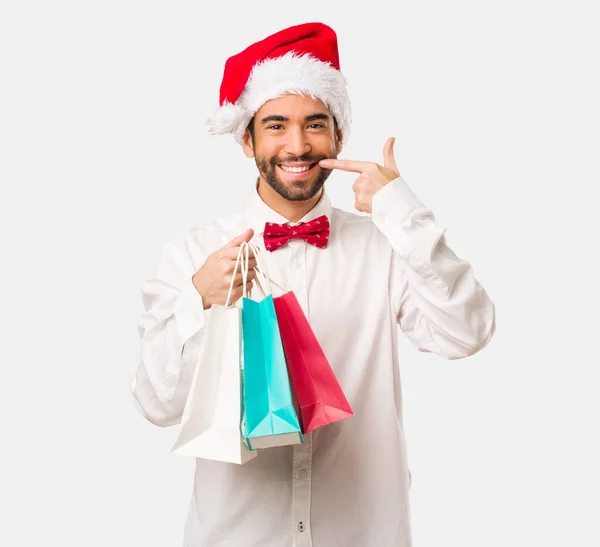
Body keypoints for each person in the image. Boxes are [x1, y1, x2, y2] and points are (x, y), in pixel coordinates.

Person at [131, 21, 496, 547]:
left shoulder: (384, 246)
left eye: (315, 124)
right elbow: (156, 405)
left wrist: (405, 215)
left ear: (339, 136)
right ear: (246, 139)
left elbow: (467, 334)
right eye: (276, 125)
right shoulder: (193, 254)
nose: (297, 145)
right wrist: (199, 302)